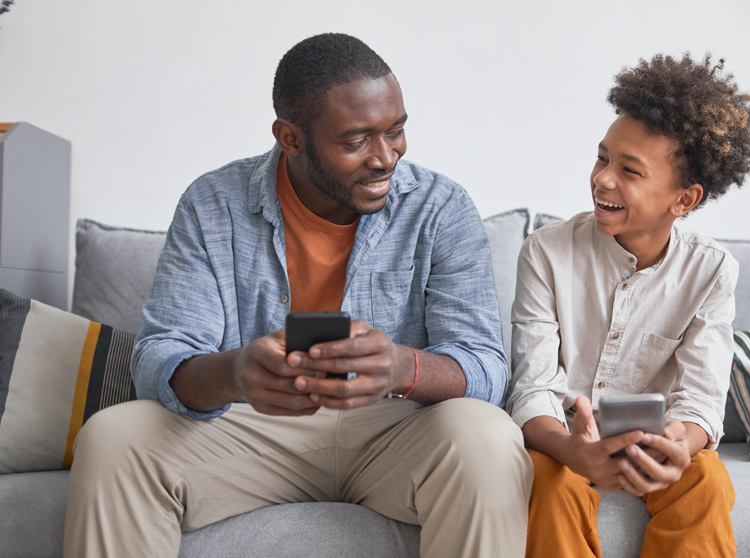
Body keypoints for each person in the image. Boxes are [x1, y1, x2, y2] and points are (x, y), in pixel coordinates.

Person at [64, 33, 532, 558]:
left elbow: (485, 368)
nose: (385, 157)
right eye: (356, 141)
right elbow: (159, 357)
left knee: (487, 435)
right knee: (113, 436)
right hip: (253, 429)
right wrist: (237, 370)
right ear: (290, 138)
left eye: (396, 130)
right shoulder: (213, 203)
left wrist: (403, 367)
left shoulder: (441, 209)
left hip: (396, 432)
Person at [506, 53, 750, 557]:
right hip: (562, 440)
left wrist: (679, 444)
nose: (603, 179)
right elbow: (533, 388)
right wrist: (573, 450)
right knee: (547, 482)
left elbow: (701, 399)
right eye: (602, 158)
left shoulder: (711, 271)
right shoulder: (546, 251)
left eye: (629, 170)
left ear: (683, 200)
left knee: (707, 480)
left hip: (654, 442)